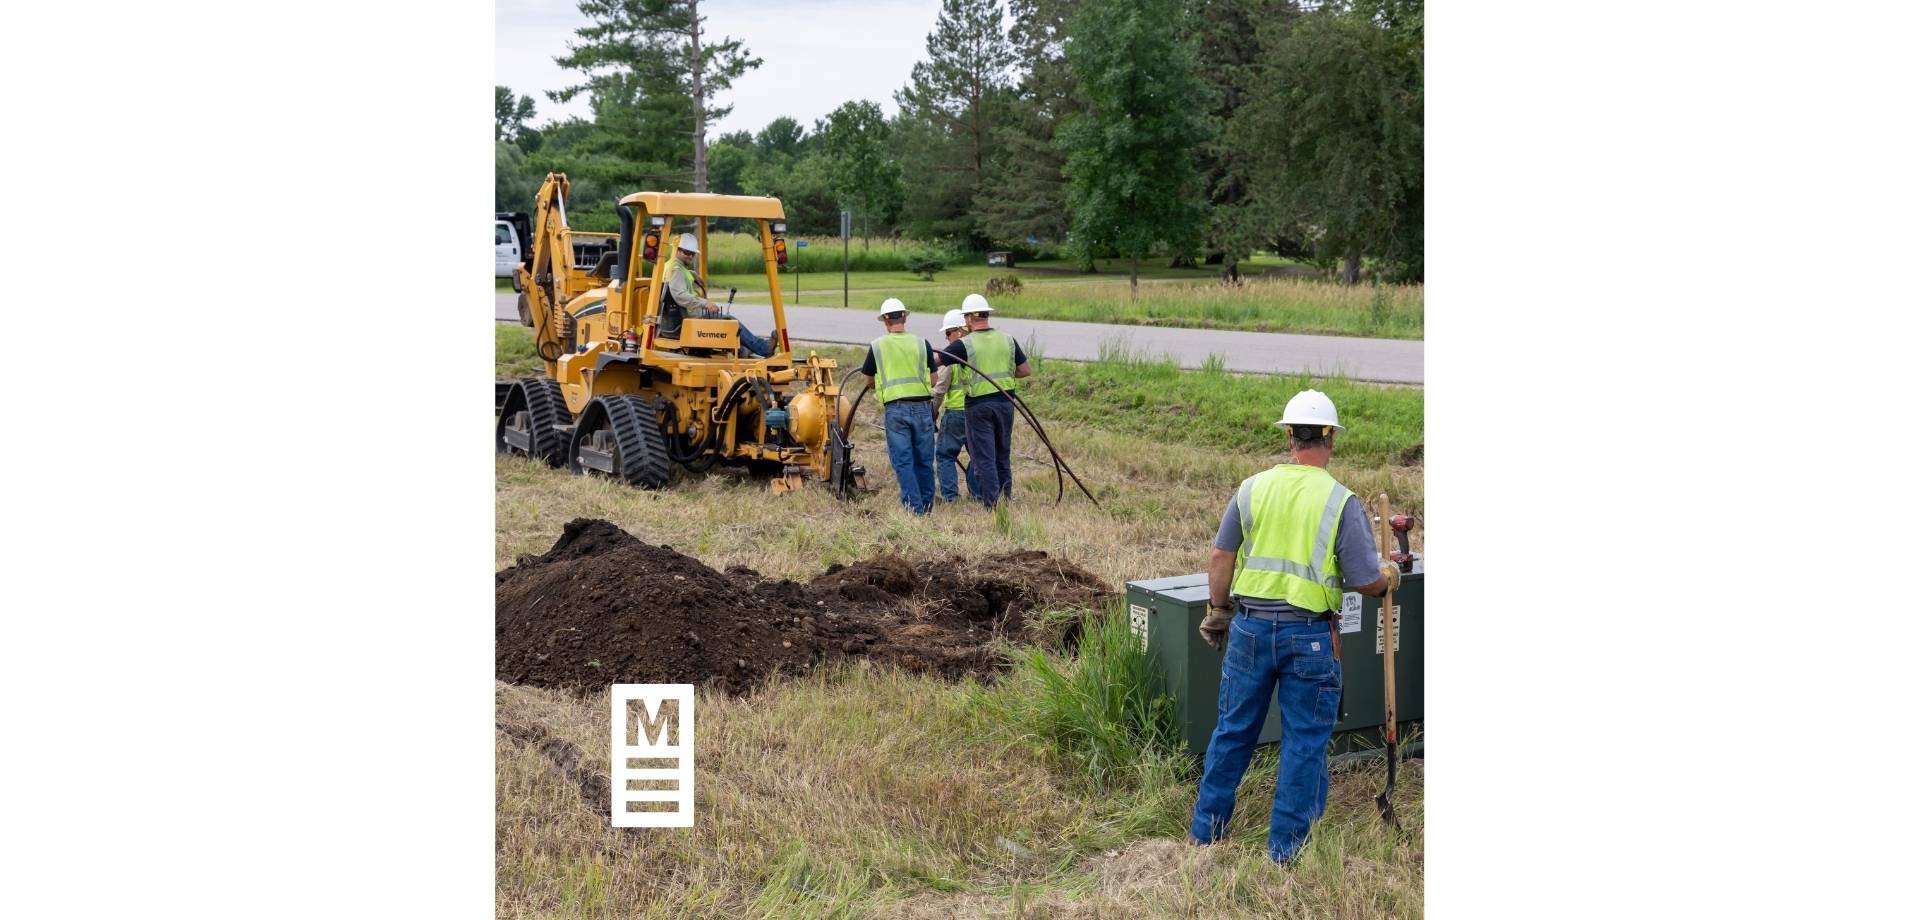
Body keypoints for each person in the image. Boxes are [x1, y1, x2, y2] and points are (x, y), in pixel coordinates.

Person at [1187, 389, 1399, 865]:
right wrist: (1389, 577)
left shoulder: (1252, 488)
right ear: (1330, 439)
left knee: (1233, 730)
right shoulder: (1340, 501)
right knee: (1304, 740)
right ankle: (1284, 852)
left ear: (1288, 437)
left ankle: (1205, 834)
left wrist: (1218, 610)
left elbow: (1222, 555)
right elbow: (1366, 579)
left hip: (1249, 630)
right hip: (1309, 637)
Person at [932, 294, 1030, 507]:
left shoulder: (964, 345)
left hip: (979, 406)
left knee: (984, 457)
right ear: (987, 314)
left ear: (967, 318)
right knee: (1001, 454)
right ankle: (1006, 498)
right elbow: (1024, 370)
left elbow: (936, 361)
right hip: (1005, 403)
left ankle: (993, 505)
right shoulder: (1007, 339)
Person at [858, 298, 939, 514]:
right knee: (924, 460)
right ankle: (927, 506)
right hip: (923, 408)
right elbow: (933, 379)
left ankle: (915, 509)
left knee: (903, 461)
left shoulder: (877, 346)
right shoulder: (923, 344)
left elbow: (867, 379)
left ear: (885, 321)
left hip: (896, 410)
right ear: (904, 317)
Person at [661, 233, 774, 358]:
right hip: (690, 317)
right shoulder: (676, 270)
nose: (690, 256)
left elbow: (678, 278)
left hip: (680, 317)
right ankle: (763, 349)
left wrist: (692, 274)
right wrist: (705, 303)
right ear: (677, 250)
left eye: (692, 254)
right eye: (687, 253)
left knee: (726, 321)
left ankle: (743, 351)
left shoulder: (671, 265)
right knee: (730, 321)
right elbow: (680, 295)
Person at [929, 308, 980, 503]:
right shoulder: (977, 351)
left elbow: (939, 391)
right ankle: (978, 495)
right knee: (978, 456)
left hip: (956, 415)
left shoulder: (952, 358)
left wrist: (931, 414)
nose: (946, 338)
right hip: (977, 412)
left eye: (948, 333)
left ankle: (951, 497)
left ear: (959, 331)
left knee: (945, 455)